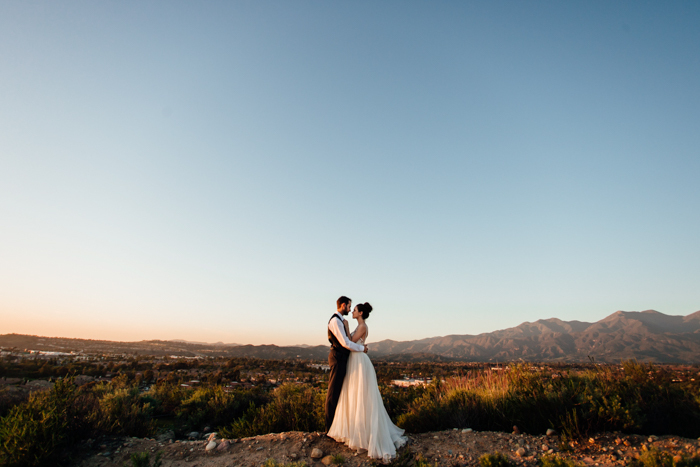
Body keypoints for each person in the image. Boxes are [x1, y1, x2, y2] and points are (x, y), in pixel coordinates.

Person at [327, 302, 407, 461]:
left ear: (361, 313)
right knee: (354, 395)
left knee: (363, 397)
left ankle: (365, 436)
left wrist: (346, 327)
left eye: (355, 310)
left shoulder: (362, 326)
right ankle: (356, 432)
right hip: (355, 361)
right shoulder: (360, 325)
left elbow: (349, 342)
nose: (352, 311)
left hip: (360, 362)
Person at [325, 296, 368, 431]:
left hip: (344, 358)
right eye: (349, 307)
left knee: (340, 392)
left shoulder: (342, 321)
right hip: (338, 358)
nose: (350, 310)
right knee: (333, 393)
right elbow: (346, 343)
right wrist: (363, 349)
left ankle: (339, 427)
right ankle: (329, 428)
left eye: (352, 308)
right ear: (343, 305)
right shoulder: (336, 321)